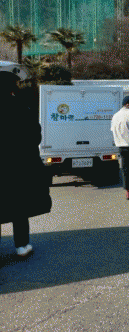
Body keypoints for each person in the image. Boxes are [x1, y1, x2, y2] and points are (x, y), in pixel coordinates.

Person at [0, 64, 52, 258]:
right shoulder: (22, 107)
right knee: (18, 206)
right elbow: (35, 137)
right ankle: (22, 246)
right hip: (18, 167)